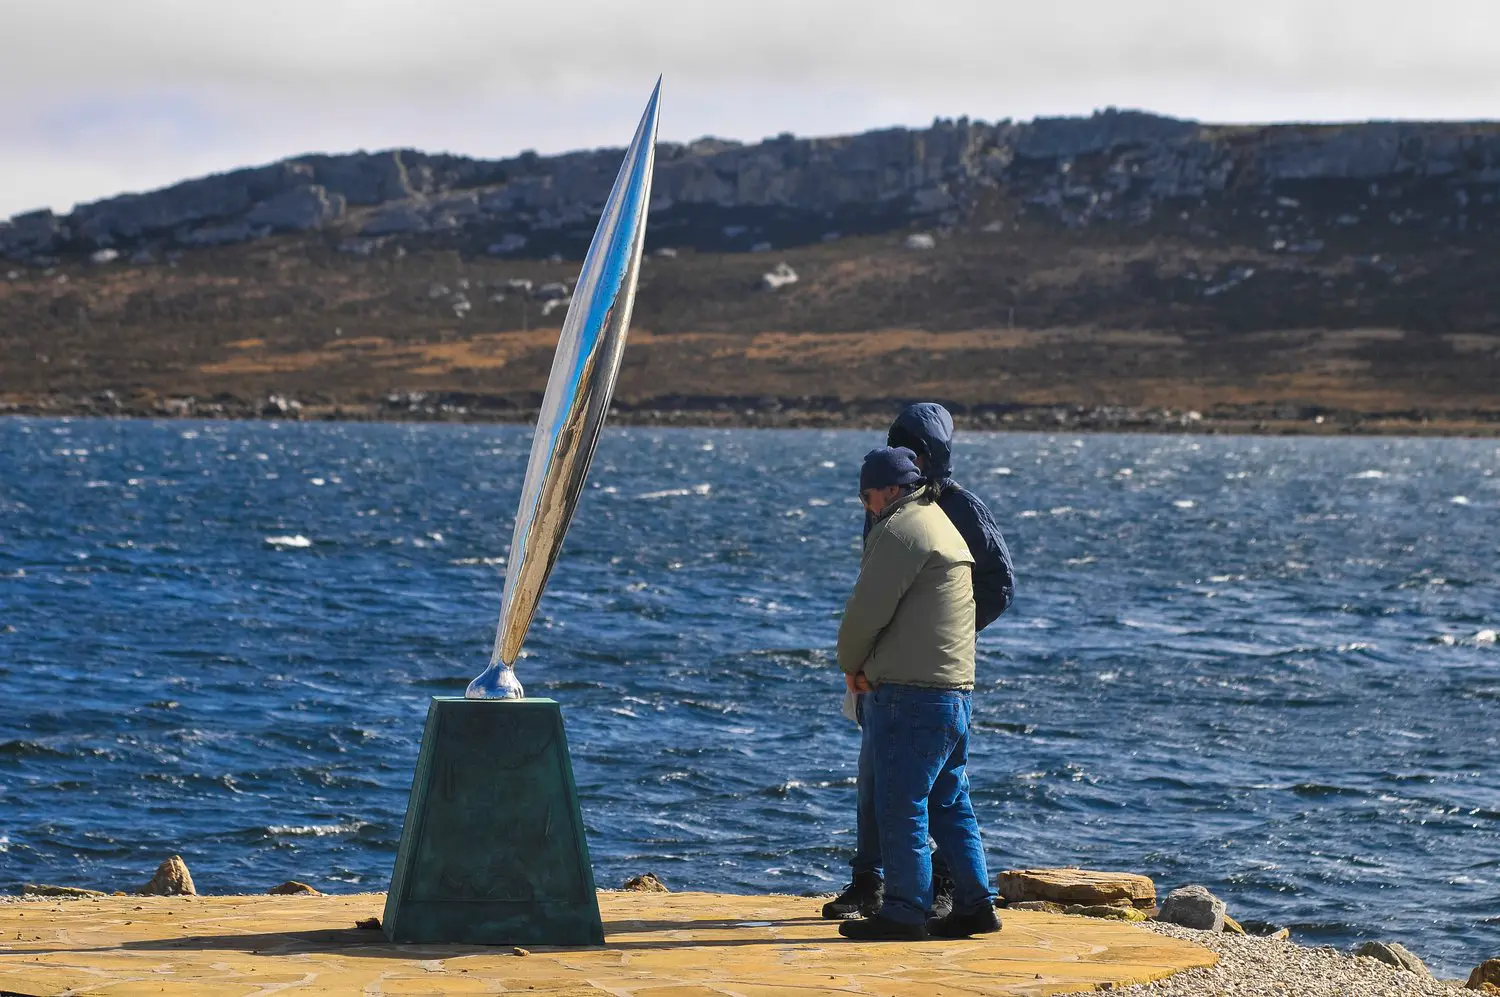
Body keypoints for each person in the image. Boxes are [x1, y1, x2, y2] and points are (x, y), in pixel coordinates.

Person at [822, 403, 1015, 921]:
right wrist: (946, 642)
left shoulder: (908, 525)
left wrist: (859, 660)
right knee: (947, 797)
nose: (864, 503)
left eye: (867, 493)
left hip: (910, 683)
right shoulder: (936, 519)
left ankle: (906, 908)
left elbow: (870, 606)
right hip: (951, 683)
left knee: (899, 799)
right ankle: (973, 903)